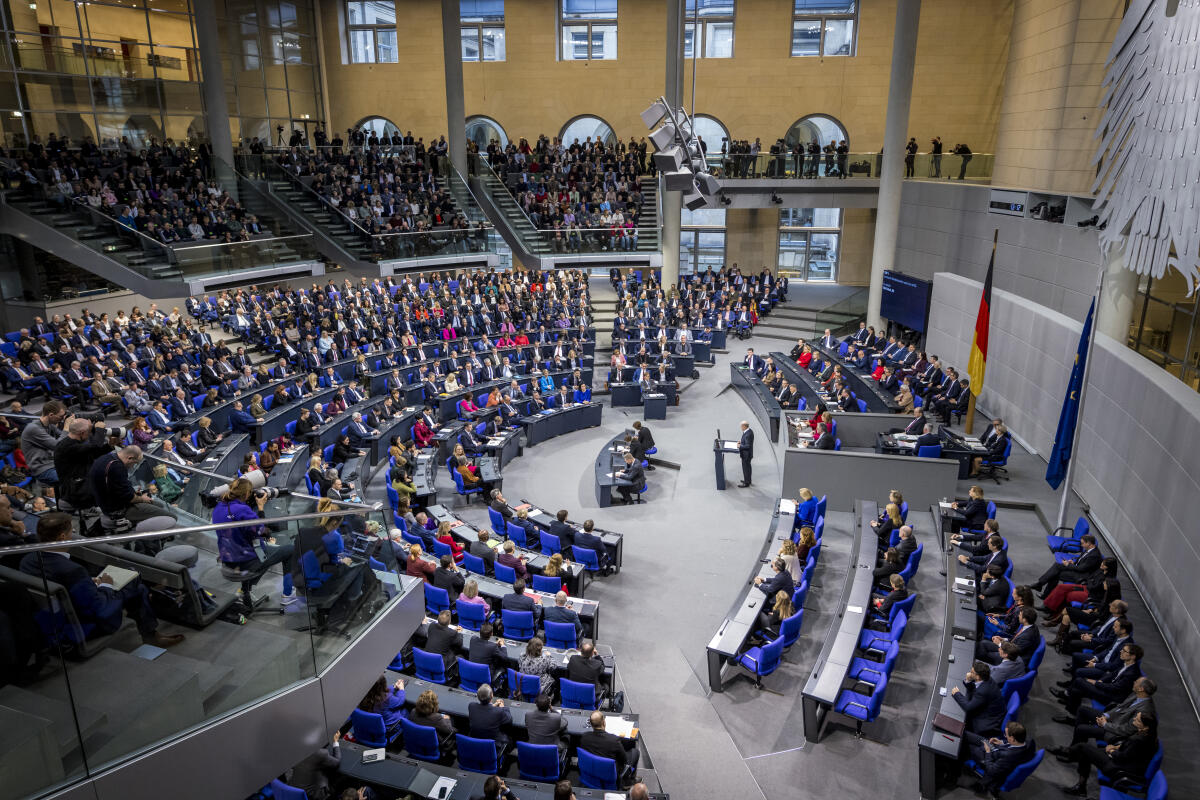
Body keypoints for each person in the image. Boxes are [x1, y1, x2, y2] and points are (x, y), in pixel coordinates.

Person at [21, 513, 184, 647]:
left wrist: (90, 585)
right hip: (82, 626)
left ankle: (151, 634)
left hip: (50, 623)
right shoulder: (73, 570)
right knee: (135, 583)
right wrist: (106, 584)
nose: (73, 534)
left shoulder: (27, 560)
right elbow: (101, 609)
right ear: (63, 536)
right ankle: (151, 634)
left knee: (135, 587)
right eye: (72, 531)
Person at [213, 477, 297, 609]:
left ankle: (244, 591)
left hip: (228, 560)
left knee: (267, 552)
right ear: (246, 494)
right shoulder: (243, 511)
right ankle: (288, 594)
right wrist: (260, 508)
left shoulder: (218, 507)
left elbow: (237, 528)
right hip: (246, 562)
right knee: (290, 550)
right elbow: (264, 532)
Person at [1060, 711, 1157, 797]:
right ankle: (1081, 786)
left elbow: (1122, 757)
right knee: (1086, 751)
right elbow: (1131, 750)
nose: (1134, 719)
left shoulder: (1139, 740)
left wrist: (1111, 751)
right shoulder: (1149, 735)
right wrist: (1116, 747)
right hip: (1124, 761)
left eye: (1138, 720)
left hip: (1118, 767)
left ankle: (1066, 751)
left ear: (1145, 727)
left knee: (1082, 747)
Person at [89, 445, 176, 530]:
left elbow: (117, 487)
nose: (133, 466)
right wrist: (142, 499)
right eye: (135, 463)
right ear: (130, 458)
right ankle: (144, 540)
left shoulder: (106, 458)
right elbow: (129, 498)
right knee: (171, 517)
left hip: (107, 503)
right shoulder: (117, 468)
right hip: (118, 510)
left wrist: (134, 492)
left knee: (159, 505)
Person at [963, 721, 1038, 800]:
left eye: (1006, 735)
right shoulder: (1028, 741)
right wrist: (1001, 742)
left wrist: (988, 751)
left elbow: (991, 770)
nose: (1004, 736)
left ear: (1012, 738)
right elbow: (1012, 743)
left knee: (966, 745)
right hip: (996, 750)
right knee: (969, 735)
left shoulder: (1009, 756)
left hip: (989, 759)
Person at [52, 417, 110, 510]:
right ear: (82, 433)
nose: (90, 434)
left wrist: (110, 445)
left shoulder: (75, 444)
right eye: (89, 432)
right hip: (76, 492)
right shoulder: (66, 446)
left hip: (81, 485)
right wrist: (99, 430)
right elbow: (94, 446)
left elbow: (92, 453)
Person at [579, 710, 639, 785]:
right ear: (604, 722)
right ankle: (628, 782)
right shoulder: (614, 740)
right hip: (609, 775)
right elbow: (624, 760)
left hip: (591, 771)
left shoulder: (584, 737)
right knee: (635, 752)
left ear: (591, 724)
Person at [1031, 535, 1102, 595]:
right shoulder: (1089, 549)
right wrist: (1073, 562)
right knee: (1057, 565)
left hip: (1082, 576)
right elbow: (1082, 560)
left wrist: (1068, 565)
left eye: (1082, 543)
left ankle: (1043, 591)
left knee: (1055, 574)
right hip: (1079, 569)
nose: (1081, 545)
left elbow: (1081, 569)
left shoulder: (1094, 555)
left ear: (1089, 543)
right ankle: (1040, 585)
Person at [951, 661, 1006, 736]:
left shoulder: (983, 691)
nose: (969, 673)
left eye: (972, 672)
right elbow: (975, 689)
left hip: (988, 721)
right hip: (992, 711)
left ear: (978, 676)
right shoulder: (987, 679)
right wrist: (968, 681)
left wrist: (957, 694)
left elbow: (968, 707)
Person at [20, 400, 68, 485]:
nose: (61, 420)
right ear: (51, 415)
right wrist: (67, 427)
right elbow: (58, 445)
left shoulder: (49, 425)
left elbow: (65, 438)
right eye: (60, 417)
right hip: (42, 470)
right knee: (71, 480)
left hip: (52, 463)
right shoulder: (33, 429)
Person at [468, 683, 512, 758]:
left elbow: (486, 709)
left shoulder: (471, 706)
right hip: (493, 745)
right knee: (510, 738)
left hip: (476, 740)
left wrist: (493, 705)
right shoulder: (499, 712)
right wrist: (502, 707)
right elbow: (509, 720)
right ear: (492, 695)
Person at [409, 689, 456, 759]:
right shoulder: (436, 718)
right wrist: (447, 719)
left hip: (418, 740)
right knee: (452, 722)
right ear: (434, 704)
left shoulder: (413, 711)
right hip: (437, 743)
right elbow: (449, 730)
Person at [357, 674, 406, 739]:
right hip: (387, 730)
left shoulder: (362, 696)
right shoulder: (387, 699)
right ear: (383, 685)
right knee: (405, 711)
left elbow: (381, 692)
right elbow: (400, 701)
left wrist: (393, 687)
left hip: (369, 727)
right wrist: (401, 689)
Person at [423, 608, 462, 673]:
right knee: (460, 656)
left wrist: (453, 632)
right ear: (449, 622)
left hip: (427, 658)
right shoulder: (452, 633)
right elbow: (459, 643)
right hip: (441, 662)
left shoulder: (432, 625)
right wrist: (459, 632)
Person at [736, 420, 754, 487]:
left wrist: (740, 446)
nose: (741, 427)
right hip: (748, 454)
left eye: (741, 426)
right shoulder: (749, 431)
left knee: (746, 468)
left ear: (744, 426)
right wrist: (741, 442)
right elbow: (746, 442)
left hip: (746, 455)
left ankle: (746, 483)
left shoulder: (748, 434)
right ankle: (748, 480)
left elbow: (747, 446)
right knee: (748, 468)